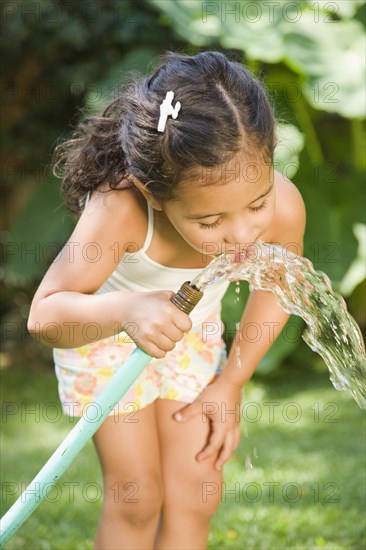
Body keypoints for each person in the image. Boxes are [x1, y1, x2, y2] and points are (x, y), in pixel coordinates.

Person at [27, 50, 306, 550]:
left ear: (271, 153)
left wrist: (231, 382)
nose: (242, 234)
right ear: (153, 192)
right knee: (138, 499)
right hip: (103, 337)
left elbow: (277, 288)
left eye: (256, 203)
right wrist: (126, 311)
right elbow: (47, 315)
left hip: (191, 336)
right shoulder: (121, 208)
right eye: (209, 222)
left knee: (196, 494)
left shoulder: (283, 207)